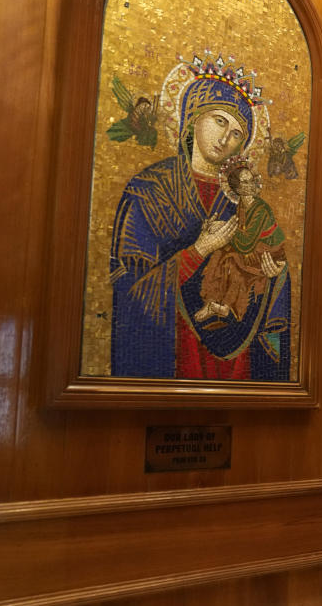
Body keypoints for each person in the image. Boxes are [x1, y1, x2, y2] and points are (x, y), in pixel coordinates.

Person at [109, 66, 290, 380]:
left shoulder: (243, 201)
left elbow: (266, 258)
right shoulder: (150, 189)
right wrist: (199, 250)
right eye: (219, 121)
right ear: (192, 117)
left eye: (237, 133)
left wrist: (273, 273)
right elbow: (129, 288)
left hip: (235, 361)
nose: (225, 138)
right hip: (173, 353)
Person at [194, 163, 286, 323]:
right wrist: (215, 230)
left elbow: (245, 244)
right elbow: (241, 232)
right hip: (254, 247)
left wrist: (223, 228)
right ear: (235, 188)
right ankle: (212, 302)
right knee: (219, 254)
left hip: (268, 252)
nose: (251, 185)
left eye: (251, 180)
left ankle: (225, 306)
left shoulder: (261, 209)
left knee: (231, 259)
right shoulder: (242, 206)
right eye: (245, 182)